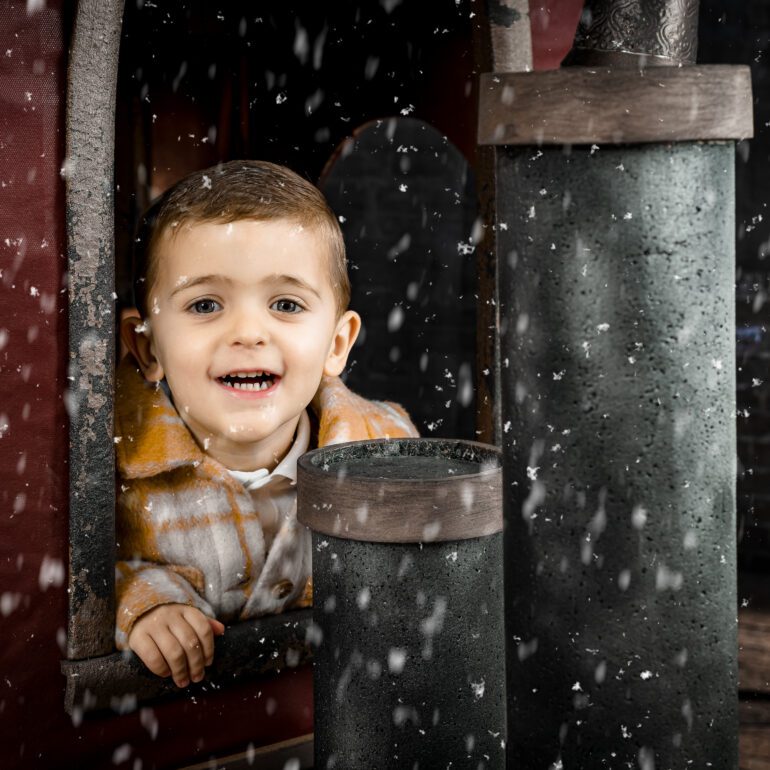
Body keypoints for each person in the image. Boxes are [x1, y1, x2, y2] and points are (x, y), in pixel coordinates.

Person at [115, 159, 418, 688]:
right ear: (147, 348)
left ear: (336, 344)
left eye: (285, 303)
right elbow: (75, 581)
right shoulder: (111, 473)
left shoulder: (388, 451)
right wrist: (142, 606)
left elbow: (425, 583)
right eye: (206, 304)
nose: (249, 332)